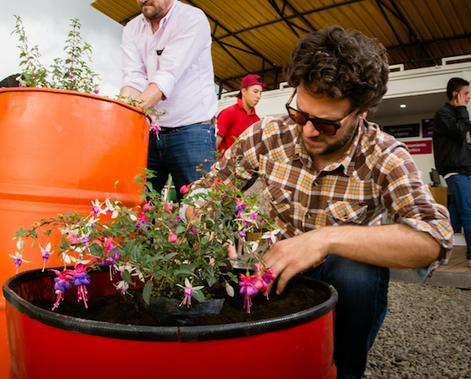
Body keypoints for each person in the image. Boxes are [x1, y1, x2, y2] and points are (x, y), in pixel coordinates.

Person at [183, 26, 453, 379]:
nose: (308, 130)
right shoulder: (268, 135)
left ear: (362, 113)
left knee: (355, 273)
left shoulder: (384, 155)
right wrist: (204, 224)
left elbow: (434, 238)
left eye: (326, 125)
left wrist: (325, 239)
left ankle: (343, 370)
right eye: (300, 114)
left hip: (340, 278)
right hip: (273, 268)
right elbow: (206, 190)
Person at [119, 0, 217, 198]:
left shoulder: (192, 20)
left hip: (192, 131)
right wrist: (121, 115)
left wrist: (128, 115)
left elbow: (166, 76)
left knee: (200, 211)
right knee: (137, 206)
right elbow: (132, 79)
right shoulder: (132, 28)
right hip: (150, 131)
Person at [432, 78, 471, 268]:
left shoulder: (458, 115)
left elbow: (466, 143)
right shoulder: (444, 114)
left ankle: (433, 251)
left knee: (454, 218)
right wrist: (462, 111)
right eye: (465, 93)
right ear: (456, 95)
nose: (469, 97)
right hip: (455, 172)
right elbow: (458, 133)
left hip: (465, 170)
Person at [216, 74, 265, 154]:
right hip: (224, 164)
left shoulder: (257, 121)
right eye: (255, 92)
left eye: (260, 93)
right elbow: (216, 142)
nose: (258, 96)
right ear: (244, 91)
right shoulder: (228, 113)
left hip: (244, 165)